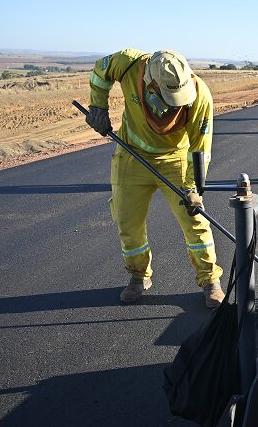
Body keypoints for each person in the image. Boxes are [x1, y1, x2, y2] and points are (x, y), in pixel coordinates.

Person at [85, 48, 225, 308]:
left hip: (176, 159)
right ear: (152, 83)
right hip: (132, 154)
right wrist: (98, 107)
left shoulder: (200, 95)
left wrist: (194, 187)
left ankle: (210, 280)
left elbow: (201, 148)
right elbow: (99, 73)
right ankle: (138, 276)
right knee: (128, 220)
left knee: (195, 220)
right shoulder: (127, 63)